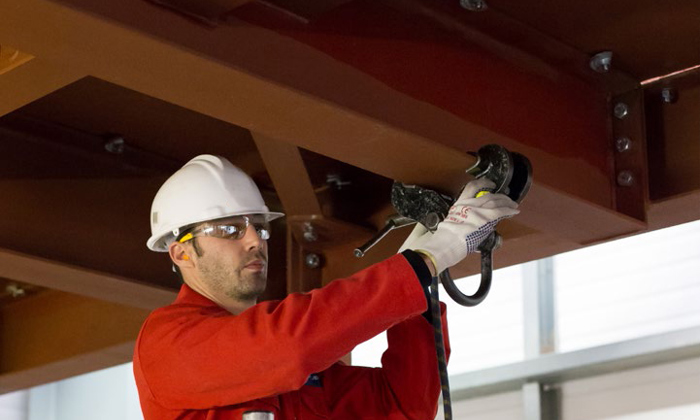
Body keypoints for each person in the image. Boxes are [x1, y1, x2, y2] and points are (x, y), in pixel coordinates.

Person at [133, 154, 519, 420]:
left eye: (259, 226)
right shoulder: (166, 344)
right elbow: (288, 345)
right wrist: (424, 260)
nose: (255, 240)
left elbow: (403, 406)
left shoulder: (296, 375)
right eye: (231, 229)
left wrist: (419, 267)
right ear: (181, 253)